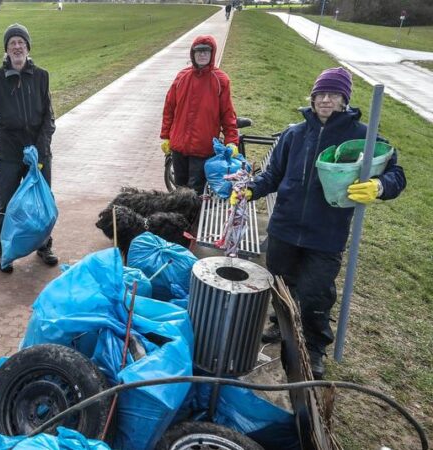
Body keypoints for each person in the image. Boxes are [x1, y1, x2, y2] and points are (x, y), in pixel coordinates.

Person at [233, 67, 406, 379]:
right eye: (320, 94)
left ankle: (314, 349)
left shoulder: (362, 138)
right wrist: (251, 190)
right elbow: (273, 175)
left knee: (316, 295)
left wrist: (379, 186)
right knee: (281, 283)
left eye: (333, 95)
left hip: (326, 234)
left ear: (344, 100)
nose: (326, 100)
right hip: (285, 227)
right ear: (312, 98)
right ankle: (281, 324)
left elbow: (397, 174)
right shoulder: (295, 134)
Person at [0, 23, 58, 274]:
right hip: (9, 153)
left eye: (21, 42)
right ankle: (3, 250)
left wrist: (40, 151)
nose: (17, 47)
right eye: (12, 43)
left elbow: (49, 118)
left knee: (42, 202)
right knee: (5, 203)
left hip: (38, 152)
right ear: (6, 49)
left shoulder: (42, 76)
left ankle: (44, 246)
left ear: (28, 47)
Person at [160, 35, 239, 195]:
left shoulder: (220, 80)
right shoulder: (181, 77)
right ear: (193, 53)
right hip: (179, 146)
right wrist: (166, 136)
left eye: (206, 51)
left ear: (212, 53)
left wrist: (231, 141)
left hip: (202, 148)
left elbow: (227, 114)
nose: (202, 54)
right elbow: (169, 108)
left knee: (195, 192)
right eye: (198, 51)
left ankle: (195, 212)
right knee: (179, 190)